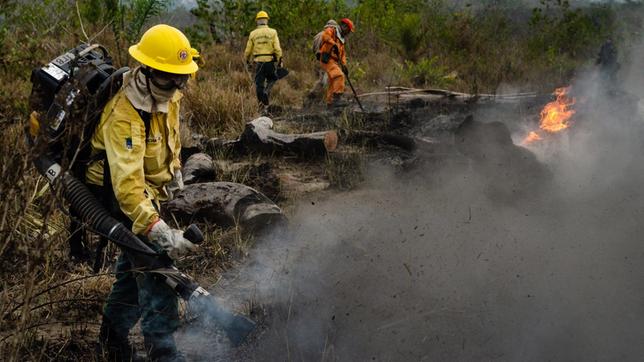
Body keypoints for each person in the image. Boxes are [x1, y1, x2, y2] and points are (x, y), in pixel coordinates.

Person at [86, 24, 199, 362]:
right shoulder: (124, 113)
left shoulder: (167, 93)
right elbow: (128, 189)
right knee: (158, 271)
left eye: (182, 78)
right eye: (171, 78)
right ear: (149, 70)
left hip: (146, 191)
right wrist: (159, 231)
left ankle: (112, 341)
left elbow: (169, 135)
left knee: (132, 267)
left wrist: (175, 169)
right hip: (112, 194)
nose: (178, 86)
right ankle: (163, 353)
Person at [244, 10, 283, 110]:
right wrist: (280, 60)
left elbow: (248, 50)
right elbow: (277, 48)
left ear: (257, 21)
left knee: (259, 84)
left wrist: (247, 60)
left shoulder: (253, 34)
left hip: (258, 62)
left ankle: (262, 107)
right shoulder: (273, 32)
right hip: (270, 61)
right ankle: (267, 92)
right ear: (266, 20)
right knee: (273, 78)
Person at [319, 17, 354, 109]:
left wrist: (344, 65)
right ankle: (337, 98)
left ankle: (330, 104)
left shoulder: (341, 40)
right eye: (349, 30)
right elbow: (325, 36)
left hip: (333, 61)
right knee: (339, 76)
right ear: (344, 26)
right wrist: (333, 43)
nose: (349, 33)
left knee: (332, 81)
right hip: (326, 59)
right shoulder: (332, 30)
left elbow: (342, 54)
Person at [305, 19, 338, 106]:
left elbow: (313, 49)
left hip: (317, 60)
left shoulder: (317, 36)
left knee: (322, 80)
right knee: (326, 81)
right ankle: (323, 100)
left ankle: (314, 97)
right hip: (326, 61)